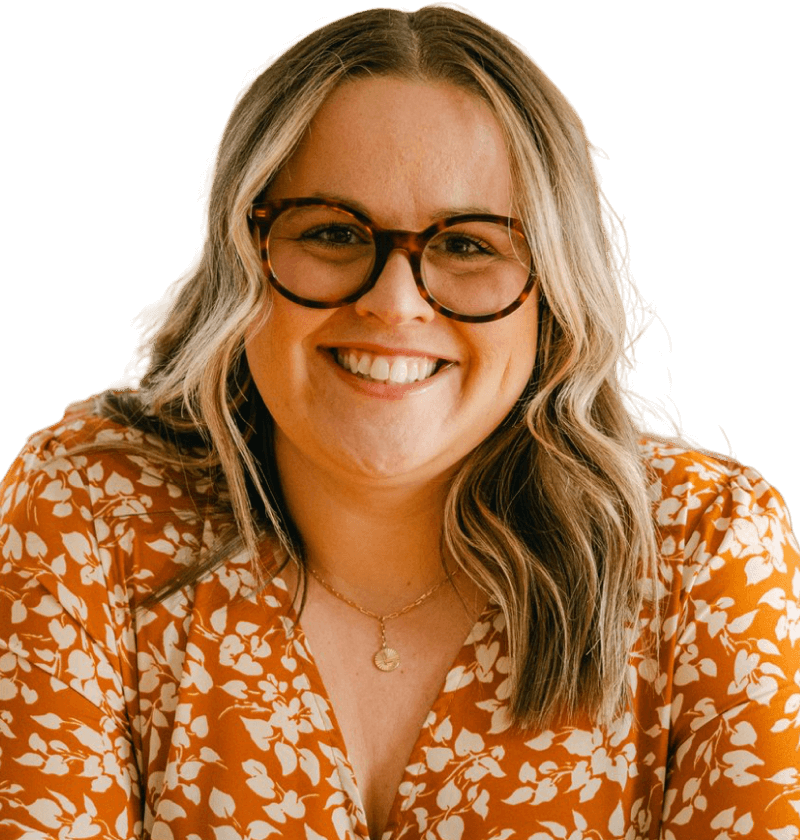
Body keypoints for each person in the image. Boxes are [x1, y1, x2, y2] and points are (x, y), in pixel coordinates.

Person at [0, 6, 796, 839]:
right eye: (334, 232)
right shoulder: (88, 510)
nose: (394, 302)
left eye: (468, 246)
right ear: (243, 260)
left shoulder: (707, 549)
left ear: (554, 290)